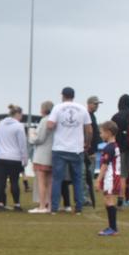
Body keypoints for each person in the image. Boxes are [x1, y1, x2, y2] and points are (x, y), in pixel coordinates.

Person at [46, 86, 92, 215]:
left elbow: (49, 125)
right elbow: (89, 130)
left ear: (63, 96)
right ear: (73, 96)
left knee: (57, 179)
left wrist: (56, 125)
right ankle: (78, 208)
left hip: (59, 148)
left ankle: (54, 208)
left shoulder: (57, 108)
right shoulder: (82, 109)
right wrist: (87, 143)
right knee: (77, 179)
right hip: (76, 149)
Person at [0, 105, 28, 210]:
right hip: (14, 158)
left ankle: (1, 203)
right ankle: (17, 204)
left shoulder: (1, 124)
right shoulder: (19, 126)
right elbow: (22, 145)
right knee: (14, 181)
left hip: (0, 156)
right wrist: (24, 159)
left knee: (1, 181)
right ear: (18, 114)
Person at [27, 100, 54, 213]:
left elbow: (39, 138)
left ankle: (42, 205)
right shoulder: (54, 120)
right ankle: (50, 205)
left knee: (41, 181)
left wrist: (31, 136)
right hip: (52, 153)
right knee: (50, 182)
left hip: (42, 154)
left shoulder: (44, 120)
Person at [96, 121, 123, 236]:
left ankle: (113, 228)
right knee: (107, 200)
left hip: (111, 177)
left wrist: (98, 180)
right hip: (112, 176)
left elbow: (105, 165)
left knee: (109, 200)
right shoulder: (115, 146)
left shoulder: (109, 148)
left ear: (109, 133)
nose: (100, 135)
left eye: (102, 132)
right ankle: (111, 227)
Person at [83, 95, 102, 208]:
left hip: (92, 151)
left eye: (98, 104)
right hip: (88, 152)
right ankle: (85, 198)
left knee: (88, 176)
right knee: (86, 176)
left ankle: (87, 198)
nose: (97, 106)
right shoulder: (87, 116)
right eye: (95, 104)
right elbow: (90, 133)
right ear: (89, 104)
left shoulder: (92, 116)